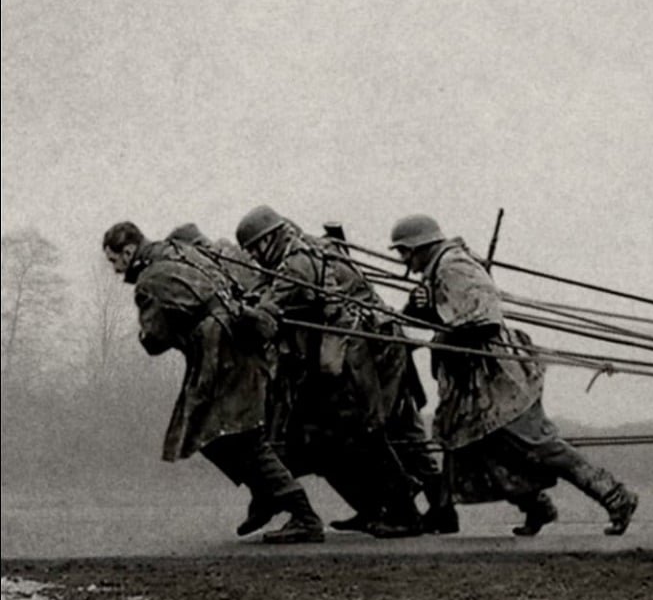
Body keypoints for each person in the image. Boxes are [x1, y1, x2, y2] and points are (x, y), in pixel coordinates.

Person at [390, 213, 638, 536]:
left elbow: (484, 321)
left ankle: (616, 497)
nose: (404, 261)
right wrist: (422, 309)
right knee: (470, 449)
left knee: (540, 447)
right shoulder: (440, 269)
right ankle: (531, 508)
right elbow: (433, 315)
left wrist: (440, 329)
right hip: (469, 382)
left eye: (404, 252)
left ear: (419, 246)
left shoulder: (454, 267)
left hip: (495, 378)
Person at [235, 205, 452, 537]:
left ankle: (403, 513)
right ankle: (410, 509)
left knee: (366, 432)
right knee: (383, 432)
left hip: (363, 352)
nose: (252, 256)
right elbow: (269, 289)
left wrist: (239, 312)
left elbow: (267, 316)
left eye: (254, 248)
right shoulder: (307, 251)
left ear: (270, 239)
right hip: (366, 347)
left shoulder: (299, 262)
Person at [102, 221, 325, 543]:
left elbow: (154, 339)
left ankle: (302, 516)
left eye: (114, 261)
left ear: (128, 250)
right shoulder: (178, 251)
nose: (115, 270)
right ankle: (269, 495)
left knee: (237, 436)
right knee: (213, 435)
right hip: (235, 345)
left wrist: (146, 334)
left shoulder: (150, 280)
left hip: (223, 356)